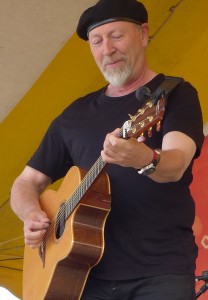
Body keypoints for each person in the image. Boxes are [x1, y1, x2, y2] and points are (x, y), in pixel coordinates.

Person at [10, 0, 204, 299]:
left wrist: (143, 158)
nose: (107, 50)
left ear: (142, 34)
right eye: (97, 41)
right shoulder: (74, 115)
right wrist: (32, 214)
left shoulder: (173, 94)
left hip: (160, 268)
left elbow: (176, 164)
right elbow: (26, 182)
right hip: (83, 274)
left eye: (116, 36)